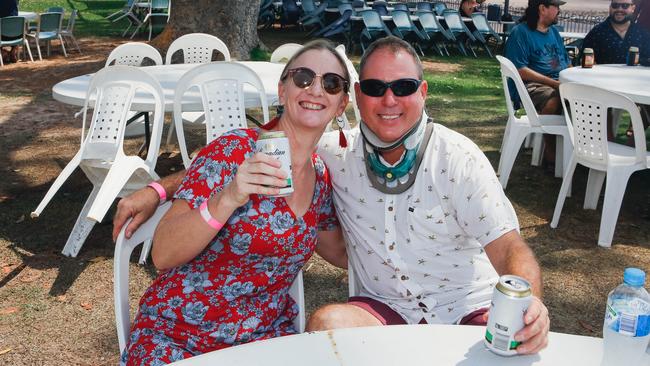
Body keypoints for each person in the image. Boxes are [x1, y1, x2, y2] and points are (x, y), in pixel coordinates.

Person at [114, 37, 550, 356]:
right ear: (357, 98)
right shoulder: (287, 153)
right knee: (326, 324)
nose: (389, 99)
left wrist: (530, 304)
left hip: (461, 306)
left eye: (403, 88)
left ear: (342, 101)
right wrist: (163, 188)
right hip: (192, 329)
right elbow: (225, 160)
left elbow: (510, 246)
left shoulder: (439, 158)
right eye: (376, 87)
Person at [118, 39, 350, 365]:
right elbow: (164, 254)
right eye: (302, 78)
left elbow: (339, 251)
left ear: (341, 104)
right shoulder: (234, 150)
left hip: (262, 342)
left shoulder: (320, 177)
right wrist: (230, 196)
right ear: (282, 91)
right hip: (181, 337)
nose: (315, 89)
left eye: (331, 83)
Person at [504, 0, 571, 166]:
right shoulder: (521, 33)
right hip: (532, 85)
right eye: (556, 7)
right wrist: (554, 84)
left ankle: (582, 151)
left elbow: (566, 61)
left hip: (559, 81)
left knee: (589, 98)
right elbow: (520, 70)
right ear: (543, 8)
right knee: (555, 98)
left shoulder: (554, 32)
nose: (559, 11)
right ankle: (550, 152)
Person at [582, 0, 650, 142]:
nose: (619, 9)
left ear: (633, 8)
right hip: (604, 87)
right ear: (610, 8)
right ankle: (608, 144)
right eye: (615, 5)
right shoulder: (597, 32)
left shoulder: (642, 34)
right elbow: (585, 61)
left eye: (624, 6)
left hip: (636, 86)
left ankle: (631, 146)